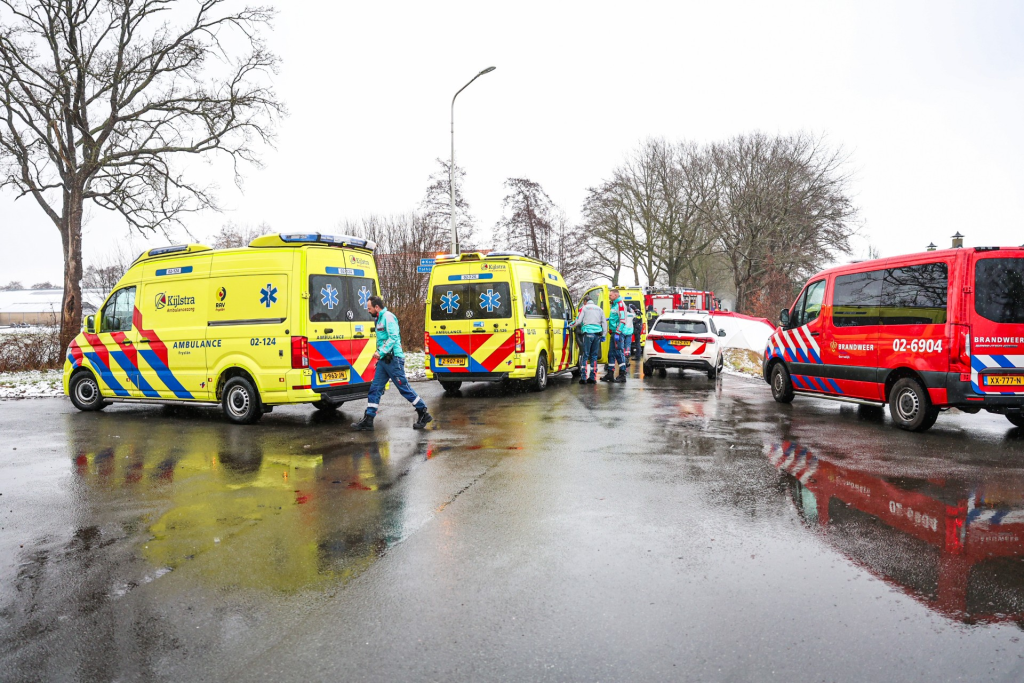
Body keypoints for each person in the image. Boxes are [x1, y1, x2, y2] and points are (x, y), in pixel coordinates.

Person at [351, 296, 432, 431]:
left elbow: (393, 337)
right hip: (384, 360)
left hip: (394, 360)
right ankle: (369, 419)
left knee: (404, 388)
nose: (368, 310)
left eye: (369, 308)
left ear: (377, 307)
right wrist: (381, 355)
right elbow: (383, 340)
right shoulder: (379, 319)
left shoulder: (388, 317)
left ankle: (423, 412)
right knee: (375, 388)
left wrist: (381, 352)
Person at [569, 297, 607, 384]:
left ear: (585, 301)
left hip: (588, 333)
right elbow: (604, 322)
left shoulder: (585, 308)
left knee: (585, 355)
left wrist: (570, 325)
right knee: (594, 356)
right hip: (597, 334)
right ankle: (593, 378)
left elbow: (578, 321)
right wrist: (604, 335)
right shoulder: (599, 309)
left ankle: (583, 378)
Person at [601, 288, 631, 383]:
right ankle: (610, 374)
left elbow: (622, 320)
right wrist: (609, 319)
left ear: (616, 295)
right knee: (611, 353)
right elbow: (616, 317)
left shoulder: (620, 304)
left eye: (610, 295)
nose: (609, 296)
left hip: (618, 333)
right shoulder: (614, 304)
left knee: (619, 353)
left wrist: (618, 332)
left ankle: (622, 374)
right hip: (613, 332)